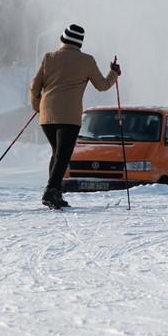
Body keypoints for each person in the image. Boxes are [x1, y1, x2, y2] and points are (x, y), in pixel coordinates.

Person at [29, 24, 120, 209]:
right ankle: (50, 191)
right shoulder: (86, 61)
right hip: (69, 117)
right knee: (62, 156)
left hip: (47, 117)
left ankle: (56, 192)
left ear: (63, 39)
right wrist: (114, 73)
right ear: (80, 43)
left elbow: (34, 87)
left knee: (57, 154)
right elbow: (102, 85)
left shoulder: (49, 57)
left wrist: (38, 106)